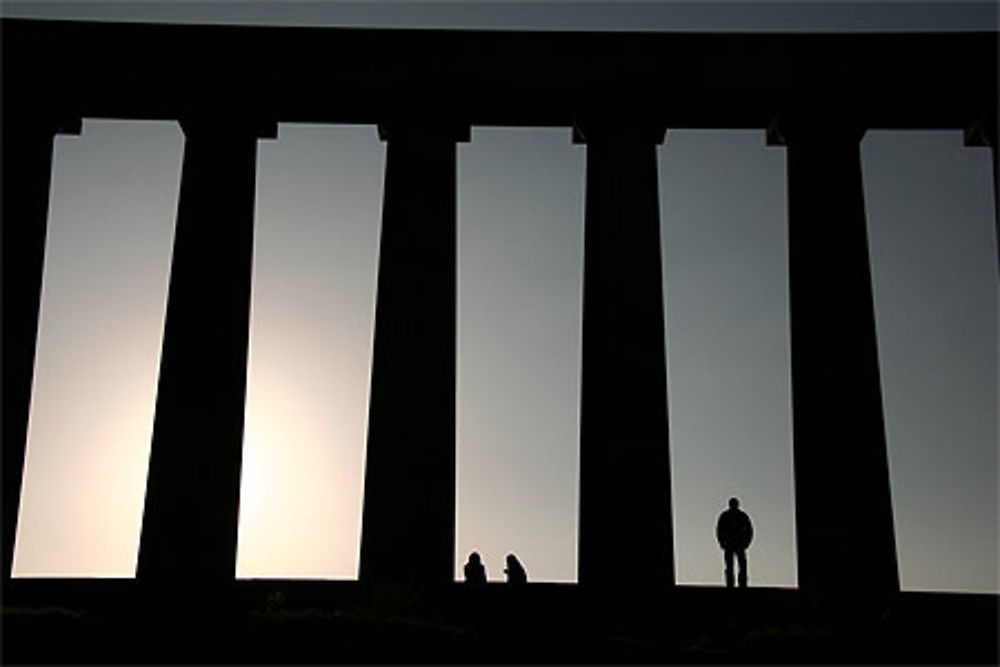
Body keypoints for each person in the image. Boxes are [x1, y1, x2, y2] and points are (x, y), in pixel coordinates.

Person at [716, 497, 753, 588]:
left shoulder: (741, 516)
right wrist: (722, 542)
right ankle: (731, 584)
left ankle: (741, 584)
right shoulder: (727, 516)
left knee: (740, 565)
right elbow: (719, 530)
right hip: (730, 544)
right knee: (731, 566)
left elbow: (749, 530)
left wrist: (746, 542)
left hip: (738, 544)